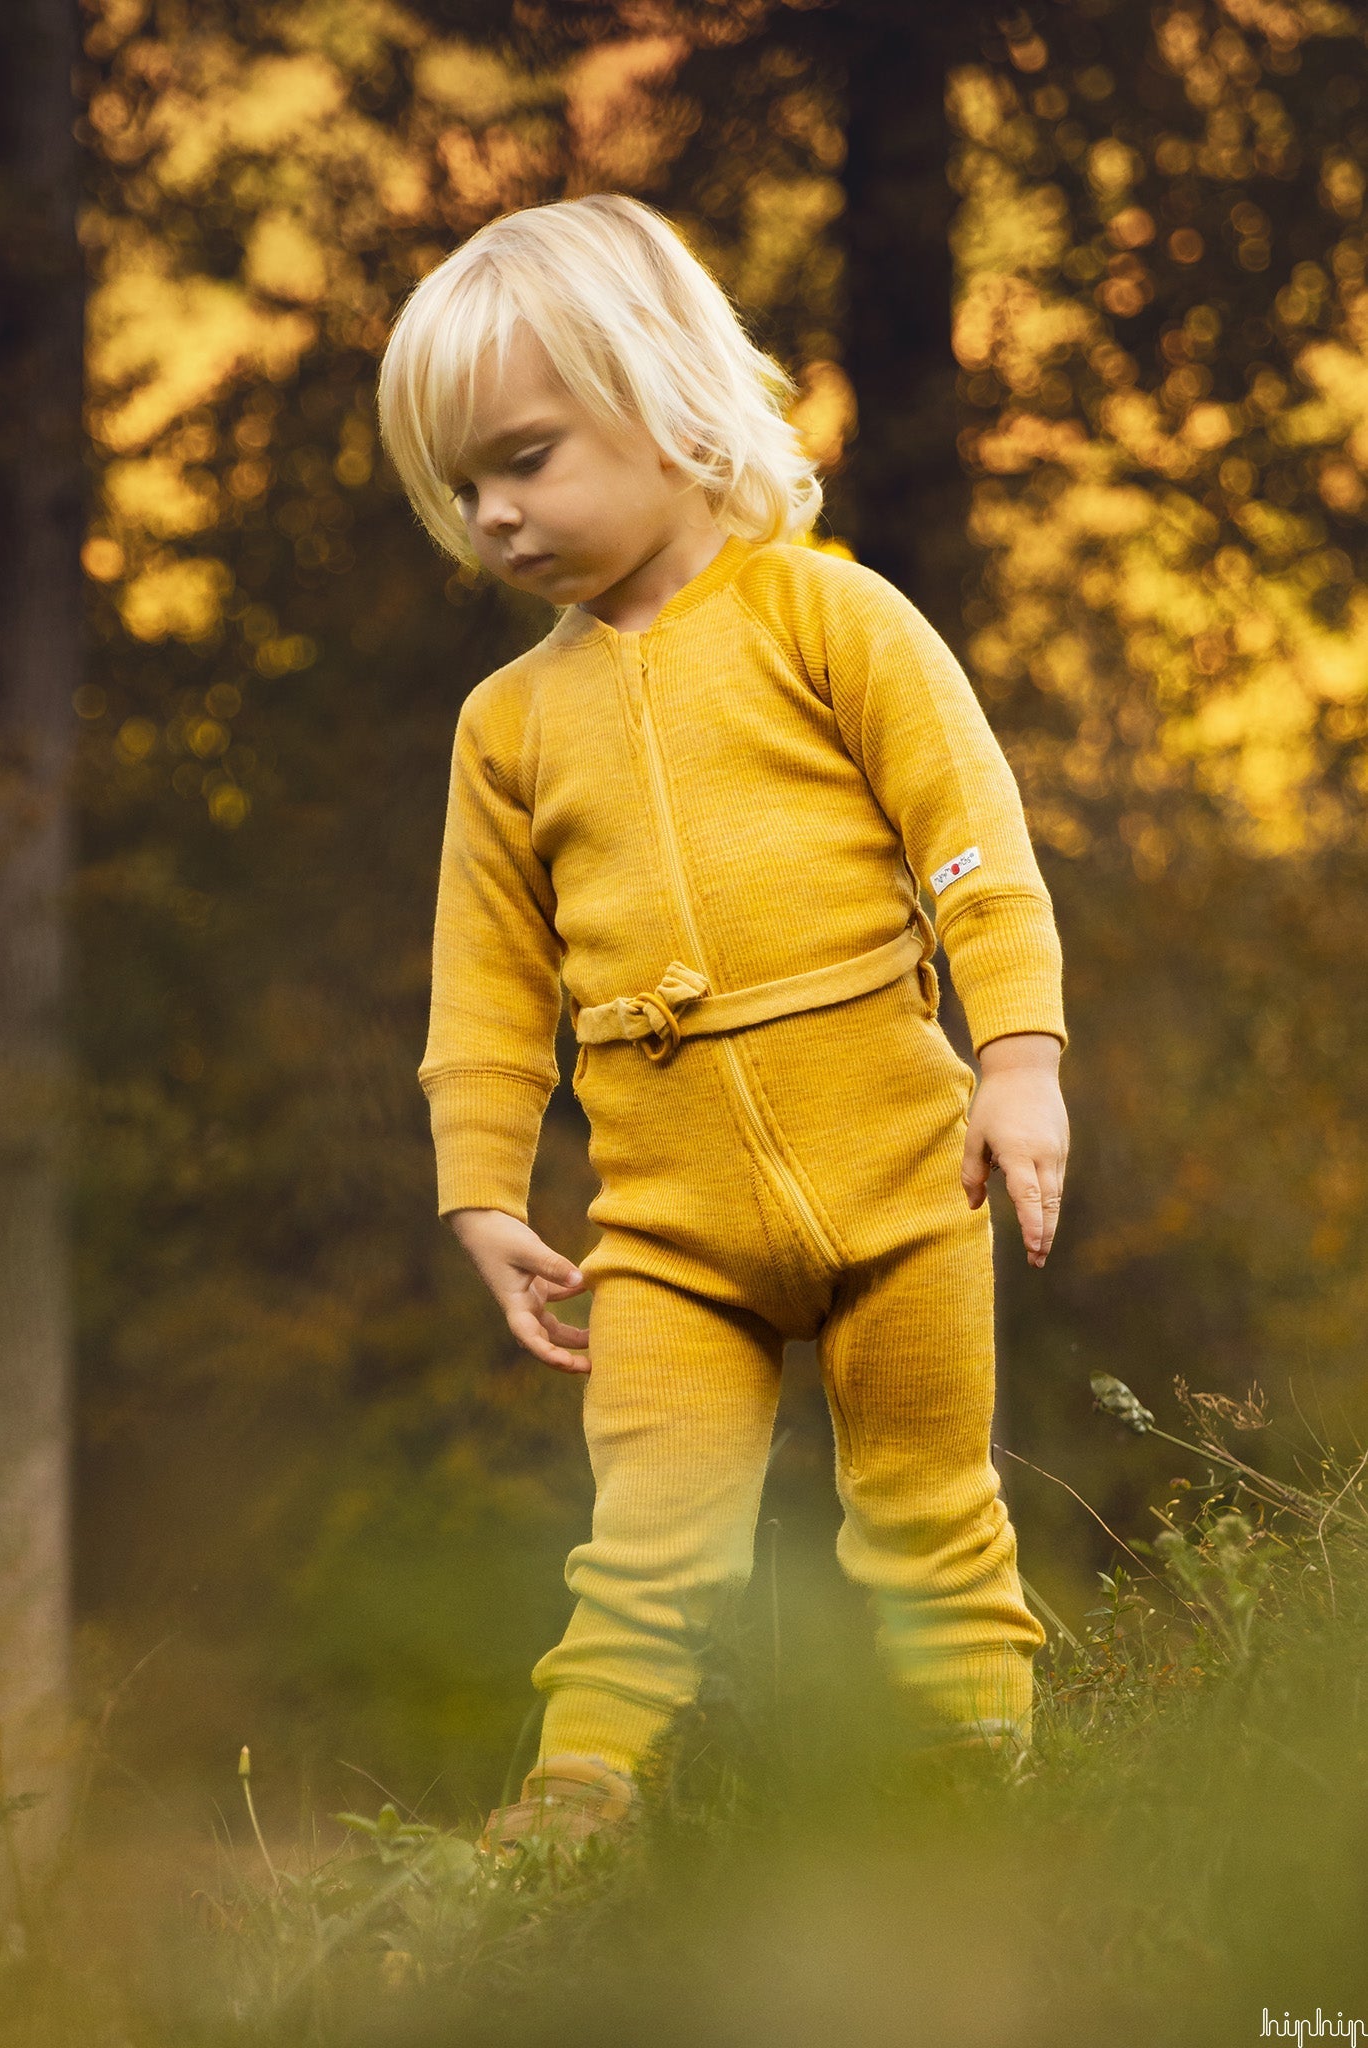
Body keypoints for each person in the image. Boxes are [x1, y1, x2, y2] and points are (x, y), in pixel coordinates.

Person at [377, 192, 1069, 1852]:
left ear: (661, 396)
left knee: (924, 1510)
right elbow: (479, 984)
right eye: (461, 485)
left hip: (909, 1177)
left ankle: (971, 1802)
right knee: (644, 1538)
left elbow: (973, 851)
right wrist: (481, 1191)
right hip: (670, 1226)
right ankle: (578, 1806)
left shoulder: (828, 616)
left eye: (524, 459)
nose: (492, 514)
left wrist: (1019, 1062)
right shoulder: (507, 725)